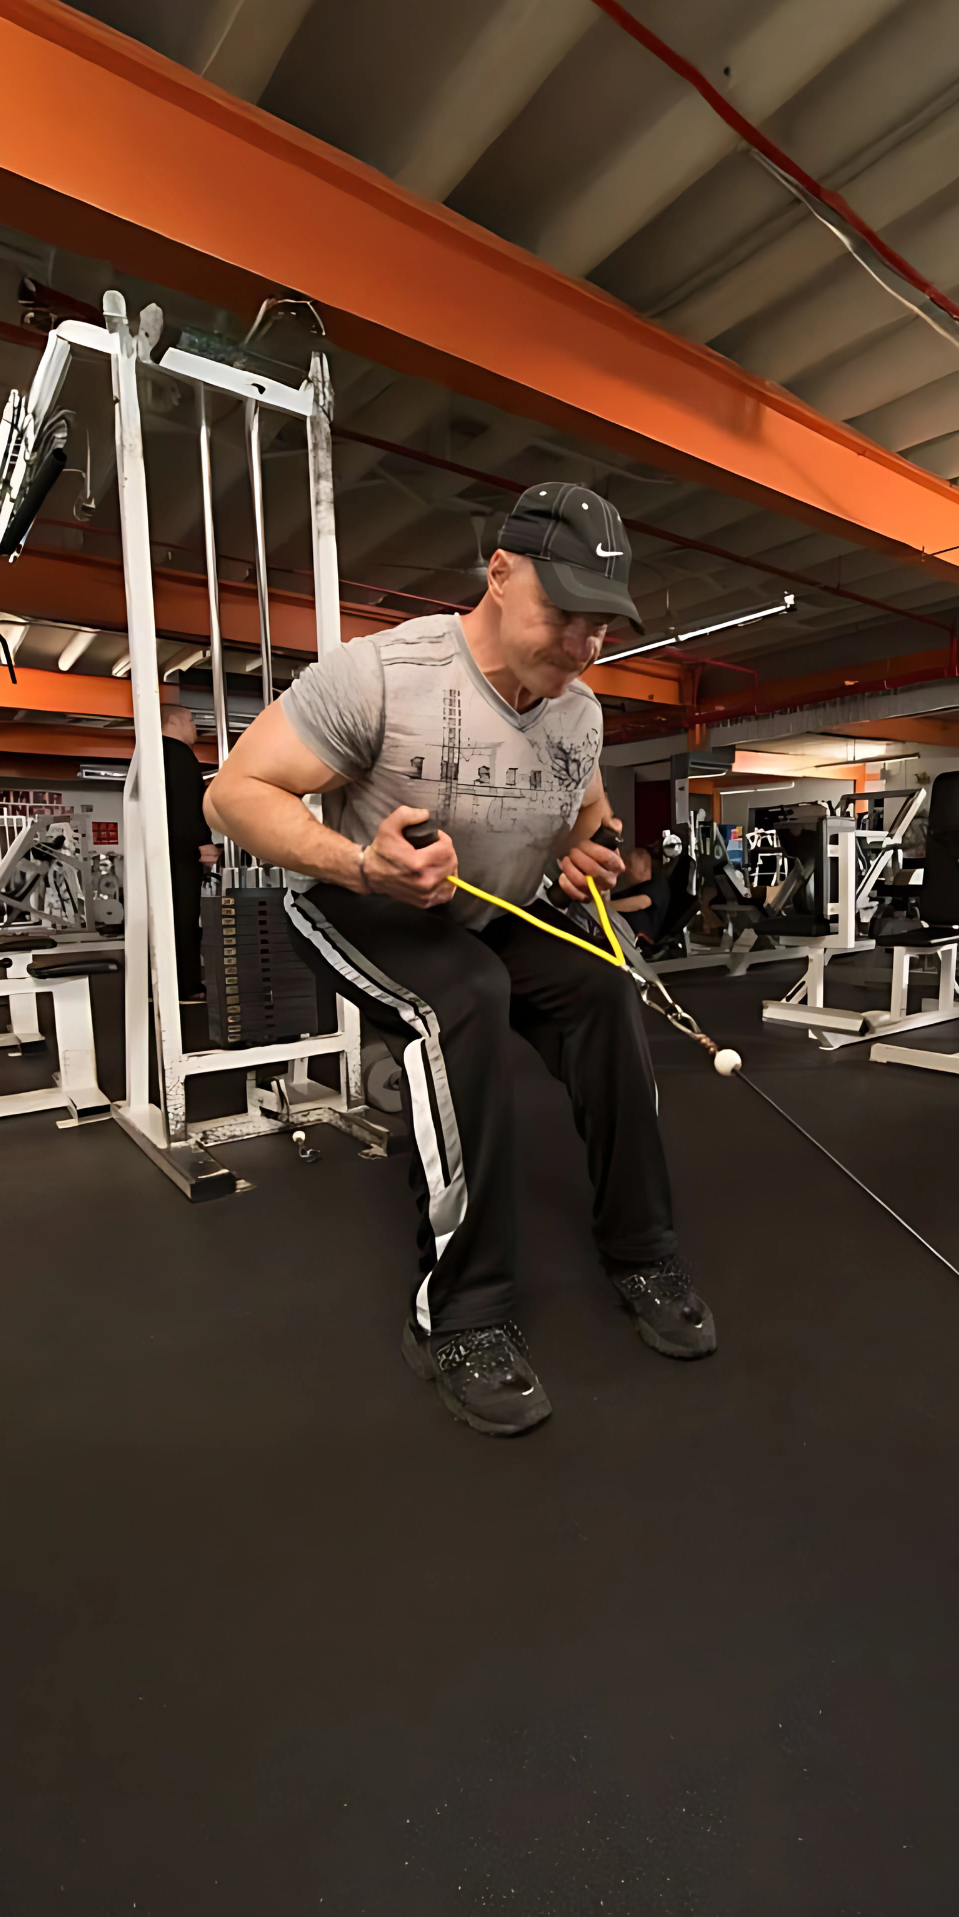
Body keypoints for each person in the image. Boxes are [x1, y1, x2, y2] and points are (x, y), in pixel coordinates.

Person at [204, 482, 715, 1438]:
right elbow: (233, 795)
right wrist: (363, 860)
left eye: (602, 624)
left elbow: (587, 820)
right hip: (361, 898)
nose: (584, 643)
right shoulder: (383, 676)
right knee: (467, 999)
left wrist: (586, 855)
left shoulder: (578, 714)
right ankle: (464, 1314)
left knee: (604, 986)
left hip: (491, 906)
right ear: (499, 573)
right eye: (564, 613)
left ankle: (643, 1249)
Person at [159, 704, 220, 1001]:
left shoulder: (153, 754)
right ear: (174, 721)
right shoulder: (178, 753)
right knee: (183, 920)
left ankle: (164, 984)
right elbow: (187, 804)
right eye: (192, 719)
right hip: (180, 854)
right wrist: (203, 842)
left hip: (162, 852)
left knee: (166, 920)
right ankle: (186, 986)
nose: (195, 727)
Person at [607, 842, 662, 946]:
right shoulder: (636, 887)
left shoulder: (656, 884)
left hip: (635, 942)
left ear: (643, 866)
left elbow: (642, 903)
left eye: (630, 864)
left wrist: (604, 906)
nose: (626, 868)